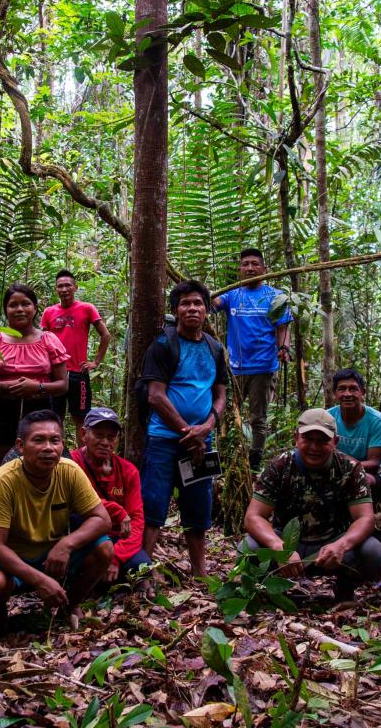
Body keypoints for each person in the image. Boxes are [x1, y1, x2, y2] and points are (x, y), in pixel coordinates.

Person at [0, 410, 113, 630]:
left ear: (62, 445)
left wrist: (67, 544)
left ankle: (69, 604)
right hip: (8, 558)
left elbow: (102, 519)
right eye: (38, 440)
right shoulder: (2, 481)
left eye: (54, 440)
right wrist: (39, 580)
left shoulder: (69, 472)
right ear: (20, 446)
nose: (48, 447)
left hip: (51, 554)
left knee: (104, 547)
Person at [243, 408, 381, 600]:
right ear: (296, 438)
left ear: (335, 442)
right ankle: (272, 590)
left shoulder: (350, 469)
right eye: (308, 439)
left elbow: (365, 518)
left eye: (322, 441)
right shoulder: (280, 465)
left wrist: (342, 544)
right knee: (248, 548)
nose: (314, 447)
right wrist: (277, 545)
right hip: (287, 541)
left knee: (372, 551)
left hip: (331, 545)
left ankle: (345, 588)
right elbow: (253, 516)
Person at [140, 280, 229, 577]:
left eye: (198, 303)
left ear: (206, 310)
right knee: (153, 504)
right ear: (176, 310)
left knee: (198, 503)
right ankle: (141, 572)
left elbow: (220, 394)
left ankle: (200, 571)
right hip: (164, 440)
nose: (192, 308)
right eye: (185, 304)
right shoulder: (163, 345)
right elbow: (155, 395)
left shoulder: (215, 348)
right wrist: (187, 432)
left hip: (202, 442)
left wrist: (207, 426)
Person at [212, 249, 294, 467]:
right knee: (227, 414)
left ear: (263, 269)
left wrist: (284, 347)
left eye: (255, 264)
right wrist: (205, 297)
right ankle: (226, 460)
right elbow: (214, 304)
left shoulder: (275, 297)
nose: (250, 268)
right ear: (240, 269)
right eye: (245, 264)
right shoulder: (232, 294)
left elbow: (283, 328)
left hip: (263, 367)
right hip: (234, 368)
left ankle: (255, 462)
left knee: (258, 418)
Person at [0, 284, 70, 470]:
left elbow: (63, 385)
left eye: (25, 304)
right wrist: (8, 386)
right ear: (5, 310)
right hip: (2, 411)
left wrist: (37, 387)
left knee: (40, 469)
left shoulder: (49, 340)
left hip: (40, 411)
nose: (19, 309)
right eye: (13, 305)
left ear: (35, 308)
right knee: (0, 470)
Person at [69, 407, 149, 584]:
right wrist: (116, 510)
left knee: (140, 565)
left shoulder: (128, 471)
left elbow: (136, 520)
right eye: (98, 435)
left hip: (116, 537)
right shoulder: (70, 465)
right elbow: (74, 504)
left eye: (111, 437)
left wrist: (115, 557)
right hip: (83, 536)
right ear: (84, 434)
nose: (105, 442)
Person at [40, 270, 112, 442]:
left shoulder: (86, 308)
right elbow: (42, 340)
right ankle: (58, 457)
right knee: (54, 418)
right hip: (55, 374)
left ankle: (81, 458)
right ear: (56, 289)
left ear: (75, 287)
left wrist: (96, 362)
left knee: (81, 418)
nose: (64, 289)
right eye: (60, 286)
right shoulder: (49, 312)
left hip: (78, 373)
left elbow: (106, 335)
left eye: (68, 285)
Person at [326, 369, 381, 502]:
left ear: (362, 393)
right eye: (342, 389)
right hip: (335, 471)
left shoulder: (377, 420)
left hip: (370, 474)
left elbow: (374, 462)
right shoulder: (328, 417)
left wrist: (344, 467)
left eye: (353, 389)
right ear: (335, 394)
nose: (347, 394)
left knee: (360, 480)